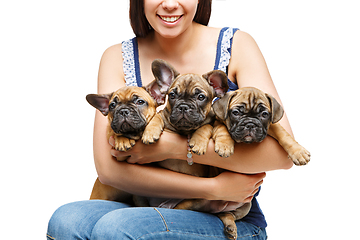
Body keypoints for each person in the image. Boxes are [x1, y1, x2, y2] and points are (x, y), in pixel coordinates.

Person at [47, 0, 294, 239]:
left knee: (116, 228)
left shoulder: (237, 45)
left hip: (224, 211)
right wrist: (214, 187)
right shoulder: (116, 56)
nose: (169, 4)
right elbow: (109, 171)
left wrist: (173, 148)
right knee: (66, 220)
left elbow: (281, 155)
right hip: (145, 203)